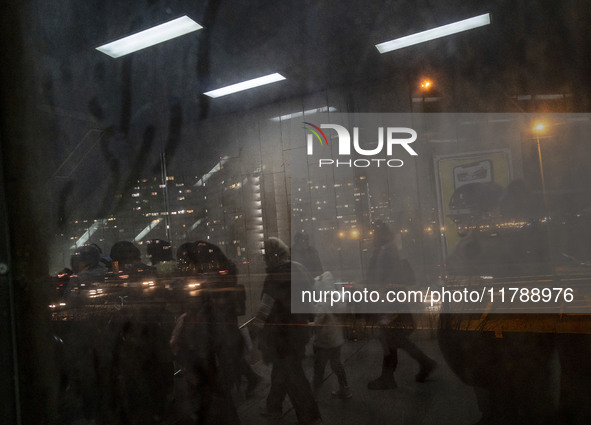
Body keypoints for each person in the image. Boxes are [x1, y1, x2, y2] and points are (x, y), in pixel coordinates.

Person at [258, 237, 322, 425]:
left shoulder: (274, 276)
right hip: (298, 331)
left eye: (265, 256)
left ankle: (308, 416)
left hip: (280, 335)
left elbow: (265, 307)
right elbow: (311, 295)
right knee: (284, 370)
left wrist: (259, 330)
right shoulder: (299, 269)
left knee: (293, 375)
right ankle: (274, 406)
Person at [366, 221, 437, 390]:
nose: (372, 237)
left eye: (374, 233)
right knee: (394, 340)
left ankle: (389, 377)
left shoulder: (386, 252)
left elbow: (384, 280)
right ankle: (422, 364)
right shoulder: (387, 250)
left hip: (390, 305)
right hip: (392, 304)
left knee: (391, 340)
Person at [311, 271, 351, 399]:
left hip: (325, 340)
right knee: (336, 364)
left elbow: (318, 323)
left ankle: (313, 393)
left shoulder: (323, 303)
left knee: (319, 366)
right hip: (337, 338)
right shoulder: (339, 299)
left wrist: (306, 324)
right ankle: (345, 388)